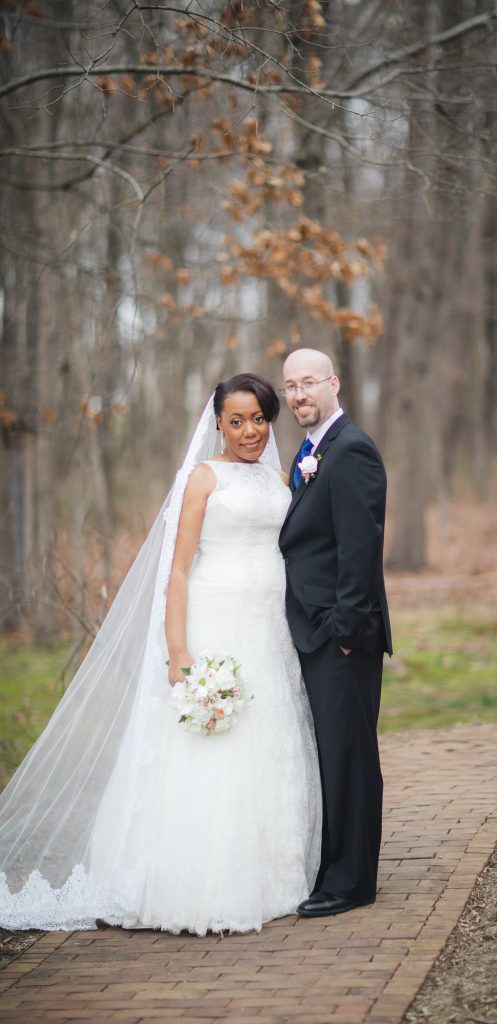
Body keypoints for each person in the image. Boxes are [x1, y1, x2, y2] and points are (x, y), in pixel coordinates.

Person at [0, 374, 321, 936]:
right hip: (216, 622)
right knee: (214, 744)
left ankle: (276, 877)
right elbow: (176, 568)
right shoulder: (202, 479)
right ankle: (202, 885)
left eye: (260, 419)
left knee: (270, 742)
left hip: (270, 630)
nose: (250, 430)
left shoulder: (277, 476)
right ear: (217, 423)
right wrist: (178, 651)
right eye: (237, 420)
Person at [279, 349, 392, 918]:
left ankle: (351, 882)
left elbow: (360, 549)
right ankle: (337, 867)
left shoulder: (350, 451)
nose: (299, 394)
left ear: (334, 383)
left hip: (340, 635)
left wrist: (345, 631)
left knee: (349, 754)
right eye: (291, 386)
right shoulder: (312, 451)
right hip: (318, 632)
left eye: (309, 383)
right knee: (334, 752)